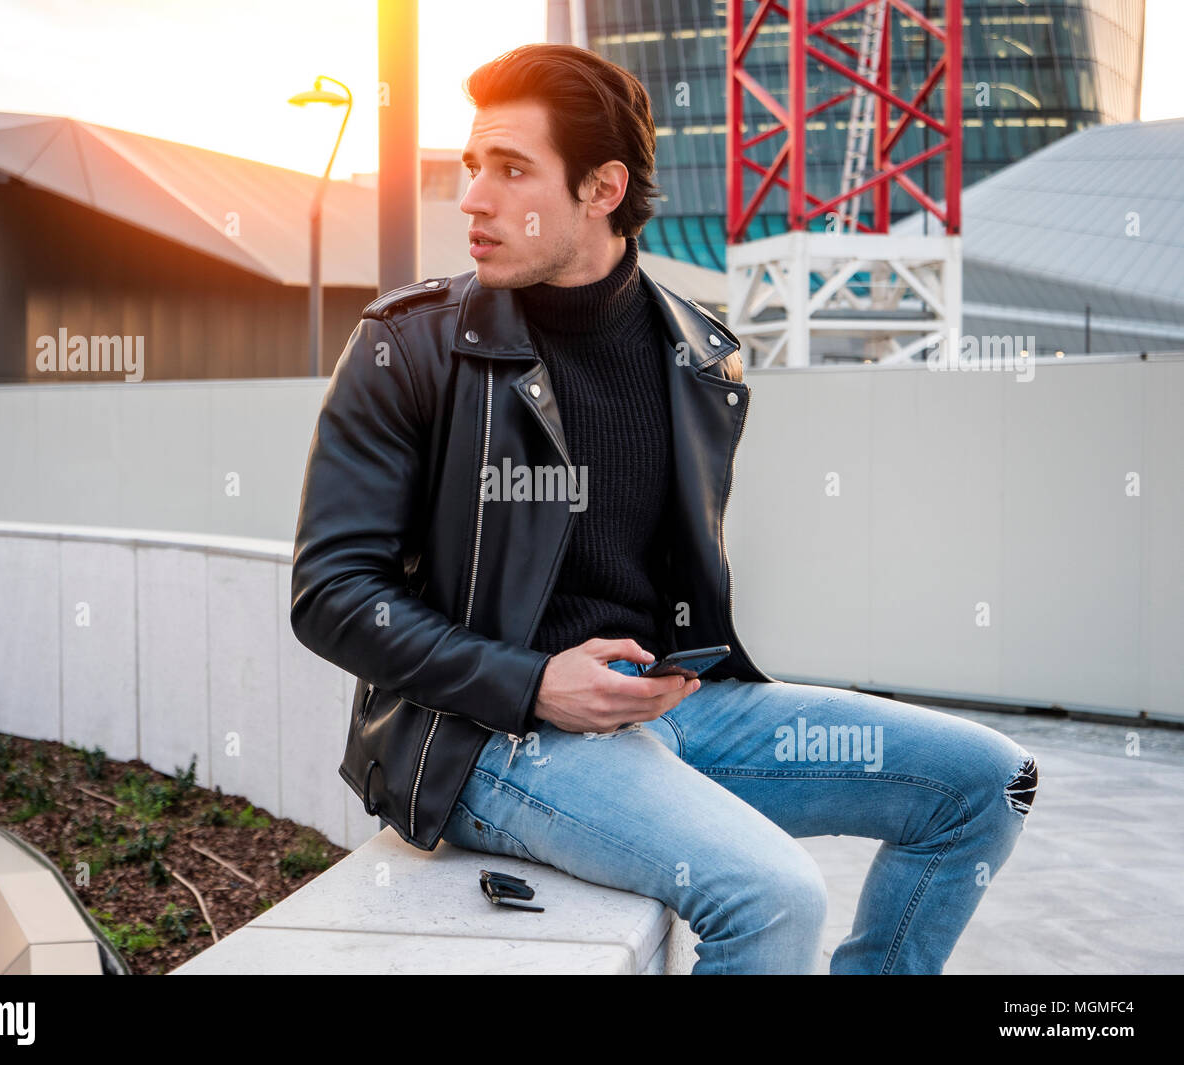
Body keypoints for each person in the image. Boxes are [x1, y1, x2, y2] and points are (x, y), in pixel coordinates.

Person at [290, 43, 1038, 974]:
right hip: (488, 735)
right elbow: (330, 591)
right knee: (771, 896)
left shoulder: (699, 356)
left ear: (602, 188)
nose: (472, 198)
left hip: (679, 709)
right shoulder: (410, 347)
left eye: (511, 169)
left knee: (987, 782)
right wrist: (530, 682)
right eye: (474, 164)